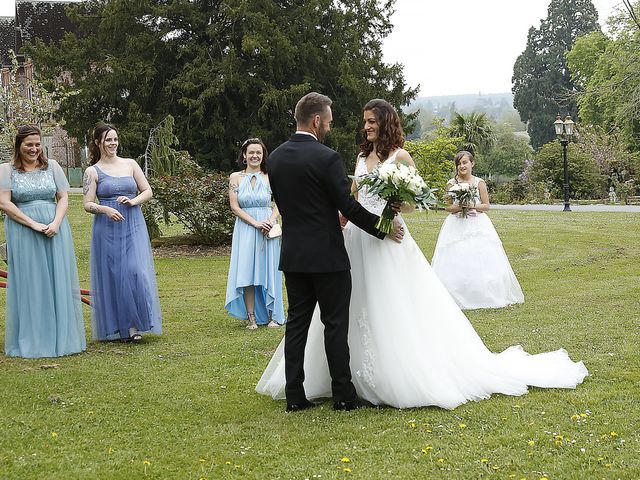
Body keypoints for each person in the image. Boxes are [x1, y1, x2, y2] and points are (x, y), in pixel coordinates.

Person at [256, 99, 587, 409]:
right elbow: (350, 198)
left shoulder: (400, 157)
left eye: (371, 122)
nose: (366, 127)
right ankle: (344, 381)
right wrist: (344, 217)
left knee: (388, 304)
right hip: (355, 237)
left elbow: (418, 201)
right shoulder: (358, 157)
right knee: (348, 309)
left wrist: (394, 208)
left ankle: (389, 373)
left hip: (386, 237)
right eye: (365, 122)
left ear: (385, 124)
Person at [263, 92, 404, 412]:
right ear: (315, 121)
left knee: (297, 324)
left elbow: (285, 205)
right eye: (327, 122)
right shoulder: (327, 158)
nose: (328, 126)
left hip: (294, 255)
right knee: (335, 324)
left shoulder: (278, 157)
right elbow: (348, 207)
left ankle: (295, 396)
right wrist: (381, 228)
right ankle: (342, 393)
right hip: (328, 256)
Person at [0, 125, 86, 358]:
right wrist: (33, 224)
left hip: (55, 229)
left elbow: (63, 197)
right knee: (32, 282)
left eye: (38, 144)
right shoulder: (7, 170)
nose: (34, 149)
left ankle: (62, 337)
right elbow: (5, 203)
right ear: (19, 145)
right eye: (29, 144)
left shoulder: (53, 167)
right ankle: (36, 338)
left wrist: (56, 222)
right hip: (23, 231)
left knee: (57, 279)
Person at [82, 122, 162, 342]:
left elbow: (148, 190)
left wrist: (133, 200)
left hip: (132, 222)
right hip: (107, 227)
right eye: (108, 140)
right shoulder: (92, 171)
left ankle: (138, 322)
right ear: (98, 142)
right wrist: (105, 208)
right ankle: (127, 328)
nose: (113, 143)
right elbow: (87, 204)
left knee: (136, 271)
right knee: (116, 275)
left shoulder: (130, 164)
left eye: (115, 139)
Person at [431, 151, 524, 309]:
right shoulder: (451, 184)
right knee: (456, 255)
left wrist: (471, 205)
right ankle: (455, 293)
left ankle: (483, 293)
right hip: (456, 224)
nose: (462, 166)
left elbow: (486, 205)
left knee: (480, 256)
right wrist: (459, 206)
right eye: (459, 163)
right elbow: (447, 206)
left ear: (472, 164)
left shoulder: (479, 182)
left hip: (477, 223)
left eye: (465, 162)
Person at [225, 138, 285, 329]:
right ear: (244, 155)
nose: (255, 156)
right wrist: (255, 223)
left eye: (258, 152)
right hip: (245, 227)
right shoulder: (235, 177)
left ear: (263, 155)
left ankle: (272, 314)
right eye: (251, 152)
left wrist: (270, 220)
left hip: (268, 227)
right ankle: (251, 316)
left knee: (269, 268)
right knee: (247, 270)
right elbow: (234, 206)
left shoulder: (271, 175)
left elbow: (281, 202)